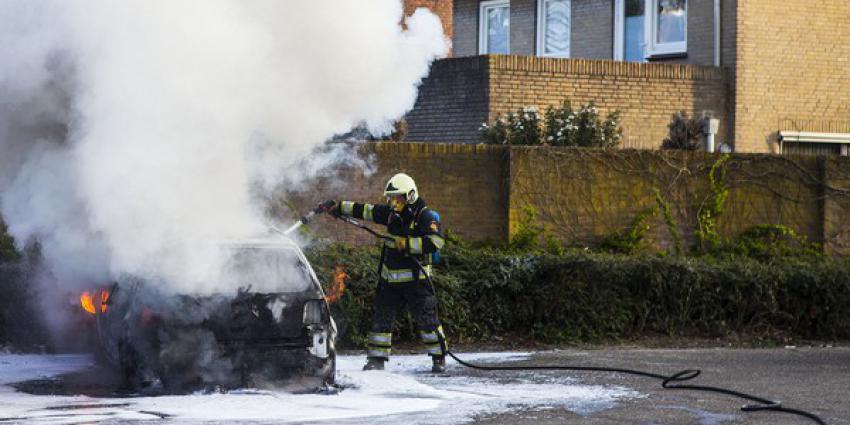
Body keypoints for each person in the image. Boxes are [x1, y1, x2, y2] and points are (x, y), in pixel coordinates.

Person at [329, 173, 447, 373]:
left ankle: (438, 358)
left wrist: (407, 244)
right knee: (381, 320)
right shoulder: (393, 214)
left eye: (398, 198)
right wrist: (338, 207)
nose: (394, 202)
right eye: (391, 198)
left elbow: (436, 242)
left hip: (416, 282)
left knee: (428, 321)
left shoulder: (424, 217)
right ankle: (376, 359)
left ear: (410, 196)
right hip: (389, 281)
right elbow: (366, 210)